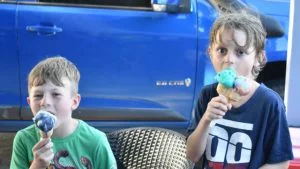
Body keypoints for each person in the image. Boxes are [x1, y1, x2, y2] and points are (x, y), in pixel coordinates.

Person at [186, 12, 294, 169]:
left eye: (240, 52)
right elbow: (192, 155)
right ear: (211, 53)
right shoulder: (207, 96)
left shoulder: (269, 103)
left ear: (258, 57)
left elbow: (281, 163)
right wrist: (206, 121)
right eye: (222, 50)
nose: (229, 59)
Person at [10, 56, 117, 169]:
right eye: (38, 95)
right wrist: (37, 165)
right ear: (29, 102)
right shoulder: (23, 139)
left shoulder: (96, 141)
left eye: (56, 94)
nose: (45, 102)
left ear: (74, 101)